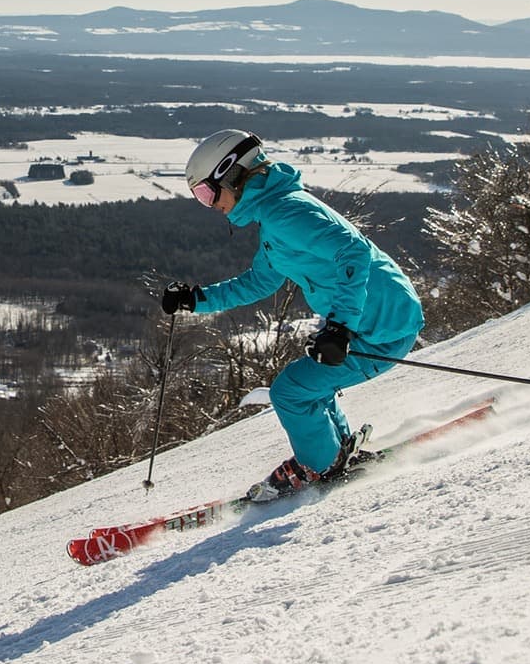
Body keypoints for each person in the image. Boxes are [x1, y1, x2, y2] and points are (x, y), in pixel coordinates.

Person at [159, 129, 424, 502]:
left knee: (290, 392)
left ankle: (319, 464)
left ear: (231, 173)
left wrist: (339, 328)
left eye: (205, 193)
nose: (209, 205)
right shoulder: (275, 217)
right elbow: (259, 283)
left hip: (382, 326)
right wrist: (196, 299)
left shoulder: (287, 214)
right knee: (307, 384)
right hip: (375, 319)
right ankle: (335, 449)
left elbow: (355, 252)